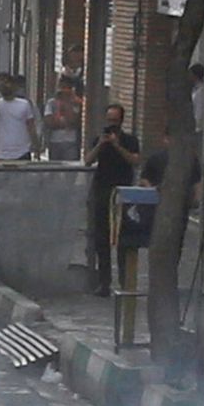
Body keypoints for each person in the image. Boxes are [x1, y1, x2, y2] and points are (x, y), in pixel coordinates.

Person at [85, 115, 139, 285]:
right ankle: (104, 282)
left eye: (114, 120)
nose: (111, 124)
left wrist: (118, 146)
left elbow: (135, 160)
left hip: (123, 192)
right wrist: (101, 144)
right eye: (108, 120)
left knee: (124, 237)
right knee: (102, 238)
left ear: (121, 122)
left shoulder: (130, 140)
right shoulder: (100, 140)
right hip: (102, 190)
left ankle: (124, 280)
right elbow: (88, 161)